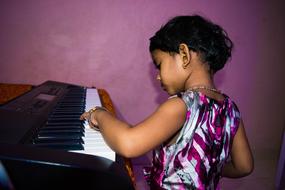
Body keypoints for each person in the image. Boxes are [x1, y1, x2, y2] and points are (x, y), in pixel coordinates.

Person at [80, 15, 254, 189]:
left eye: (159, 64)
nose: (157, 75)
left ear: (184, 55)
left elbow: (128, 143)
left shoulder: (181, 105)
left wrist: (99, 114)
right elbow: (244, 166)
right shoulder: (231, 109)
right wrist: (209, 167)